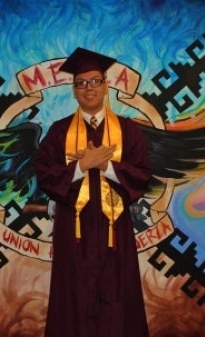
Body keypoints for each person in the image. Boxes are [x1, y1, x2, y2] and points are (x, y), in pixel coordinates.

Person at [35, 47, 152, 337]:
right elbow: (44, 176)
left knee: (117, 297)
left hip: (115, 233)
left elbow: (143, 174)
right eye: (81, 83)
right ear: (74, 90)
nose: (89, 89)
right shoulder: (59, 132)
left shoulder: (128, 130)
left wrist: (108, 166)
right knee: (73, 298)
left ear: (106, 84)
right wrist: (81, 167)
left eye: (95, 81)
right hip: (73, 233)